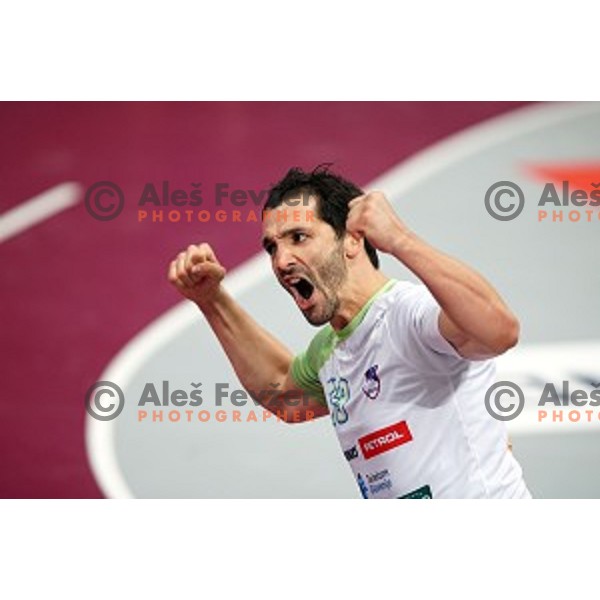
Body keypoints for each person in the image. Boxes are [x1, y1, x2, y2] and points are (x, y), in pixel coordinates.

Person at [168, 166, 531, 499]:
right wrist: (211, 299)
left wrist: (400, 239)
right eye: (272, 247)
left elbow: (499, 331)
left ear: (352, 239)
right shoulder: (330, 348)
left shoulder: (407, 316)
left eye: (299, 237)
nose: (280, 261)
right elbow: (281, 391)